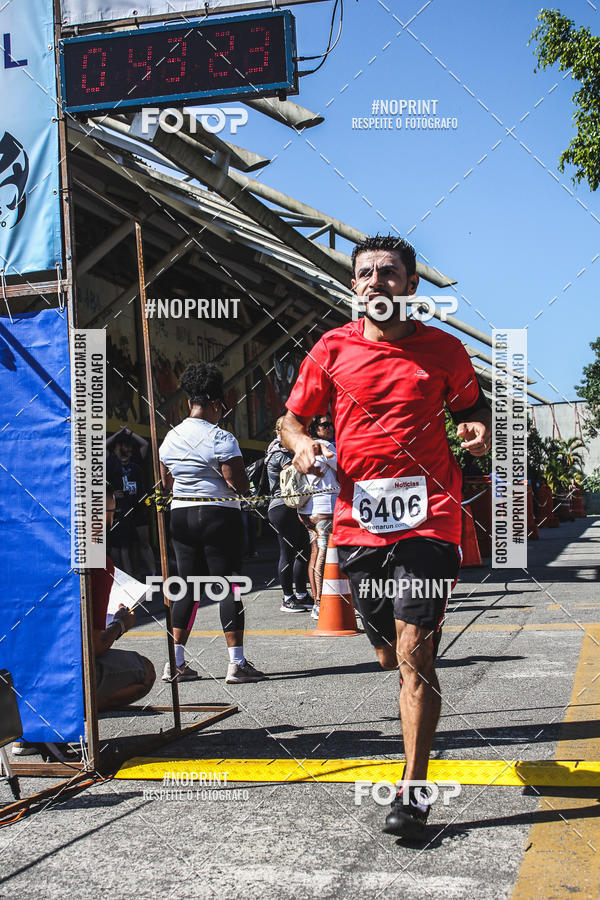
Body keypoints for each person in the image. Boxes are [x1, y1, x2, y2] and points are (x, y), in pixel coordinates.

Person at [282, 235, 491, 840]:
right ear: (354, 285)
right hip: (359, 522)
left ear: (411, 285)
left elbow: (471, 410)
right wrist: (301, 445)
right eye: (366, 274)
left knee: (415, 654)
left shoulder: (444, 350)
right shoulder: (331, 350)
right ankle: (395, 666)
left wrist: (475, 430)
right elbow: (291, 418)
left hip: (429, 519)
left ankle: (413, 789)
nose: (377, 282)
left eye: (390, 273)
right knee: (383, 640)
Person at [159, 363, 265, 684]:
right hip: (218, 515)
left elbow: (165, 482)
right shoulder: (222, 437)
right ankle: (236, 664)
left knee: (186, 587)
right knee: (228, 586)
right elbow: (237, 483)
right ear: (217, 403)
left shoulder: (170, 437)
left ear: (190, 401)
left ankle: (175, 662)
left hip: (181, 515)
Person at [91, 487, 156, 711]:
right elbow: (94, 645)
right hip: (66, 672)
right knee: (145, 671)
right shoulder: (97, 563)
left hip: (18, 669)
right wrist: (120, 624)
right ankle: (66, 715)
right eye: (113, 512)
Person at [266, 416, 311, 613]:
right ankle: (287, 597)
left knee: (303, 549)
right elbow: (295, 472)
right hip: (282, 507)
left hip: (292, 506)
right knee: (288, 552)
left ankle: (301, 594)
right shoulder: (279, 453)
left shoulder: (287, 450)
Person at [299, 415, 339, 619]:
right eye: (325, 425)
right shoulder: (325, 447)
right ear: (315, 428)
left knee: (315, 553)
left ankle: (317, 601)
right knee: (324, 554)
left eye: (331, 424)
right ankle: (320, 602)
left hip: (306, 510)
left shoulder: (303, 446)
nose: (330, 427)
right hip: (324, 508)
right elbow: (344, 469)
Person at [106, 428, 155, 577]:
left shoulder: (136, 462)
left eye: (128, 447)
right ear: (116, 449)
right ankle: (128, 577)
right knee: (123, 547)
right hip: (122, 509)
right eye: (122, 447)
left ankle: (154, 574)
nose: (126, 450)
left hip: (139, 507)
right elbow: (101, 447)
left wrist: (130, 433)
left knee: (144, 543)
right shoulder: (112, 463)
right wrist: (117, 435)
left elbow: (145, 444)